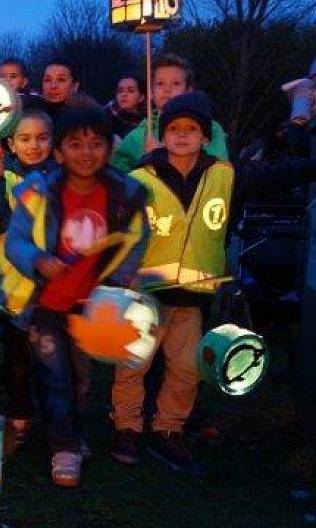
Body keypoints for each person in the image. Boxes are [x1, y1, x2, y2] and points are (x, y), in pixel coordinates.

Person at [110, 91, 316, 476]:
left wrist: (309, 165)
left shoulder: (225, 176)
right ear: (162, 134)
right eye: (174, 128)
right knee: (132, 366)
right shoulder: (139, 179)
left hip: (194, 295)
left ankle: (168, 430)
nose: (182, 135)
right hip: (145, 294)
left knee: (186, 368)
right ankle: (127, 428)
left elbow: (275, 175)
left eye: (191, 129)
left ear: (205, 136)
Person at [3, 107, 149, 487]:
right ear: (59, 151)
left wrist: (118, 280)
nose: (86, 152)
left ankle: (71, 427)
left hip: (92, 306)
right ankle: (63, 446)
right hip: (44, 304)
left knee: (81, 379)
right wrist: (37, 259)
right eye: (75, 144)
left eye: (96, 144)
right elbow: (15, 241)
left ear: (109, 149)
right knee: (55, 375)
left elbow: (137, 238)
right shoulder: (37, 192)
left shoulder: (125, 194)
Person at [0, 110, 59, 446]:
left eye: (41, 138)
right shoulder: (5, 178)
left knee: (55, 360)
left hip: (54, 285)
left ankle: (60, 422)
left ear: (52, 142)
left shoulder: (63, 178)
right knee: (17, 360)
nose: (34, 145)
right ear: (11, 144)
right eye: (25, 139)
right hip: (14, 286)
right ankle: (20, 414)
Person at [111, 54, 230, 172]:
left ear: (189, 91)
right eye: (160, 83)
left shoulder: (209, 128)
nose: (167, 89)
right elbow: (119, 175)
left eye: (176, 83)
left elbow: (219, 173)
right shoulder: (138, 136)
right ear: (151, 92)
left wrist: (162, 157)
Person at [106, 73, 146, 139]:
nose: (124, 94)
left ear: (141, 97)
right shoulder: (107, 114)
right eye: (120, 91)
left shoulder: (149, 120)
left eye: (131, 91)